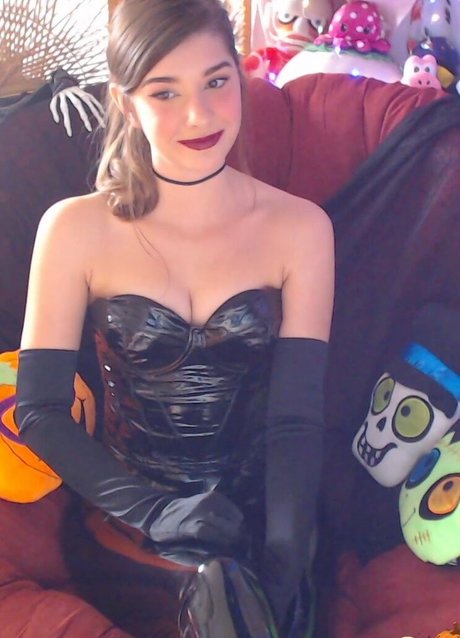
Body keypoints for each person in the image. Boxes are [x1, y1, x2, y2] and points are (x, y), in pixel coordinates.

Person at [14, 0, 334, 636]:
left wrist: (286, 554)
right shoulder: (74, 229)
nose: (200, 115)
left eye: (216, 81)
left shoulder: (302, 229)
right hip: (132, 523)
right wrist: (155, 512)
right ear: (126, 102)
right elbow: (40, 411)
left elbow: (295, 420)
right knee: (215, 593)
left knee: (249, 597)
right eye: (165, 92)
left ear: (240, 76)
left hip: (263, 518)